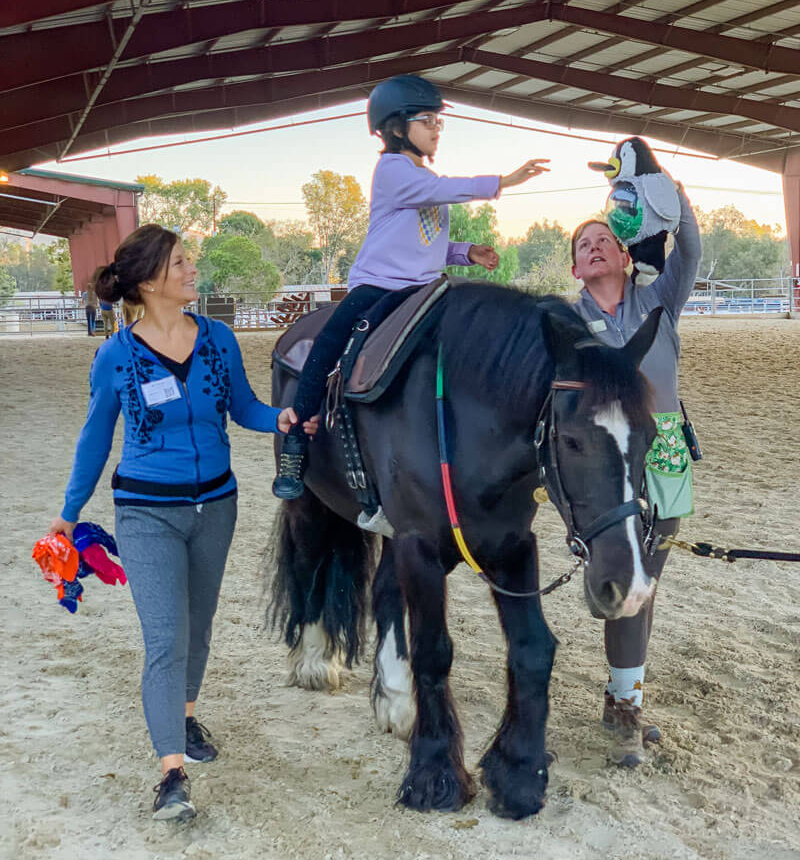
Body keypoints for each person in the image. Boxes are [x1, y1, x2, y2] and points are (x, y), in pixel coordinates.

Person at [47, 224, 319, 821]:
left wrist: (280, 418)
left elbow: (243, 406)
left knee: (198, 628)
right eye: (179, 262)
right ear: (148, 281)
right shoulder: (116, 356)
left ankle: (186, 718)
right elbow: (95, 438)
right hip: (146, 512)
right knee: (166, 638)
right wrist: (69, 512)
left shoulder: (218, 339)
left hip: (217, 506)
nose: (192, 269)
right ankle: (172, 775)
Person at [272, 74, 549, 499]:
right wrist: (503, 182)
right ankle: (295, 444)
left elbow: (424, 242)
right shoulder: (393, 170)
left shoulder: (422, 178)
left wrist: (465, 252)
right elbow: (440, 190)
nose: (437, 128)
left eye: (439, 121)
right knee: (330, 341)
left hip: (424, 288)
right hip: (379, 286)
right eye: (427, 120)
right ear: (397, 127)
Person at [570, 182, 701, 767]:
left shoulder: (660, 300)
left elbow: (690, 249)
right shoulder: (567, 322)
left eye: (604, 239)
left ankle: (622, 701)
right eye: (583, 244)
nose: (595, 246)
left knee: (645, 586)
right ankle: (625, 713)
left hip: (666, 454)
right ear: (576, 269)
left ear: (624, 254)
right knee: (627, 585)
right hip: (605, 461)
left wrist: (670, 191)